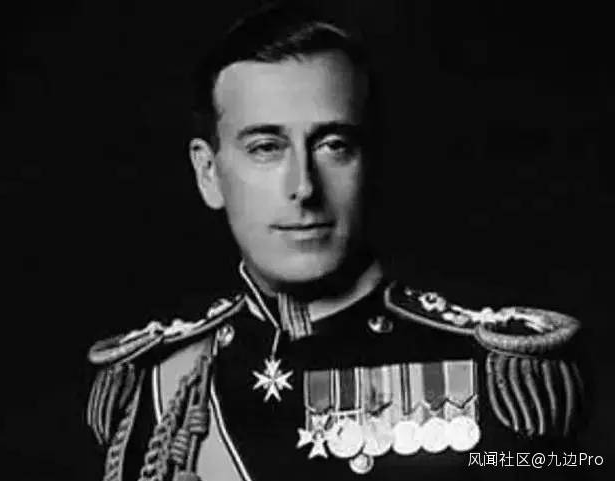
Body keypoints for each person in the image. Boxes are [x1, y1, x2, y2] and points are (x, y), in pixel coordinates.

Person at [86, 4, 587, 481]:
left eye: (334, 146)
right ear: (208, 173)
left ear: (372, 163)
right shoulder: (156, 392)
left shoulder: (501, 381)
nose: (303, 186)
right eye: (266, 148)